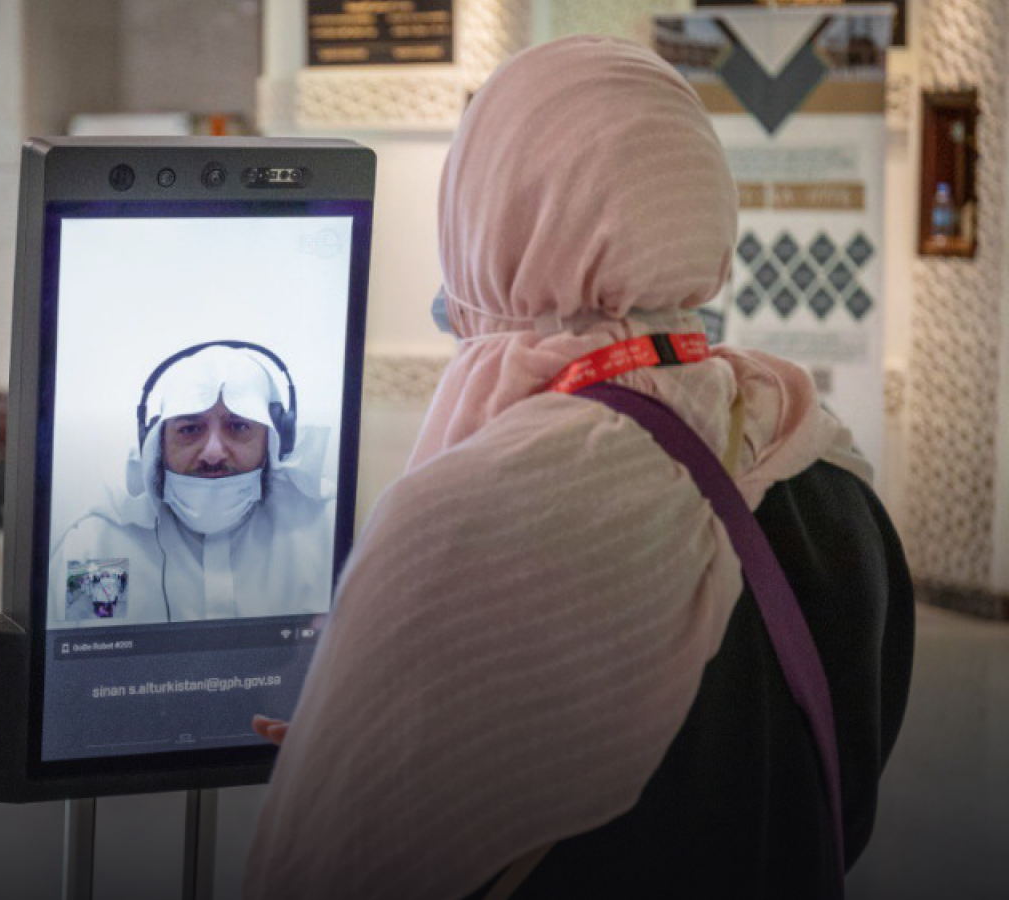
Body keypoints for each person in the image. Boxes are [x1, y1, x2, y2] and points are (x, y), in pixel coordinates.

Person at [244, 37, 913, 900]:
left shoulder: (460, 521)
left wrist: (348, 778)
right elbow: (833, 811)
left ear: (492, 220)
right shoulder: (828, 474)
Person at [48, 343, 334, 627]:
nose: (213, 452)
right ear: (156, 442)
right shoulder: (99, 545)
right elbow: (83, 663)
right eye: (190, 429)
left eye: (238, 426)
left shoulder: (325, 532)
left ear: (275, 440)